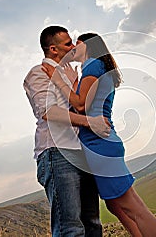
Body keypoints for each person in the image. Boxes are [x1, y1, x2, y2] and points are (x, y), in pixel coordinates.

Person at [42, 33, 156, 237]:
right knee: (115, 206)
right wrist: (73, 82)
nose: (73, 47)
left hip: (100, 143)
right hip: (99, 143)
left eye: (77, 43)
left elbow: (81, 105)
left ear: (88, 46)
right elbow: (86, 101)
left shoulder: (92, 65)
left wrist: (57, 79)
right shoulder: (92, 68)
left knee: (133, 206)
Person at [23, 26, 110, 237]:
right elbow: (48, 112)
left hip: (81, 151)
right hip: (57, 151)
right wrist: (90, 122)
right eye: (68, 44)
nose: (73, 47)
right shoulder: (38, 73)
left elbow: (79, 103)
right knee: (70, 227)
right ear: (53, 49)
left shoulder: (69, 73)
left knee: (92, 223)